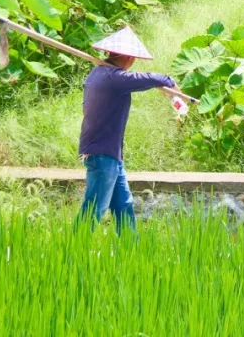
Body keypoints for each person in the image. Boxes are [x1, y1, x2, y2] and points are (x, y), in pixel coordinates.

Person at [78, 26, 186, 233]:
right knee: (94, 211)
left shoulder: (97, 74)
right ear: (128, 58)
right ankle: (73, 254)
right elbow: (147, 79)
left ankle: (131, 252)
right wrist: (170, 83)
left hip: (110, 154)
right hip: (102, 154)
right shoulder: (113, 78)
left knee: (124, 207)